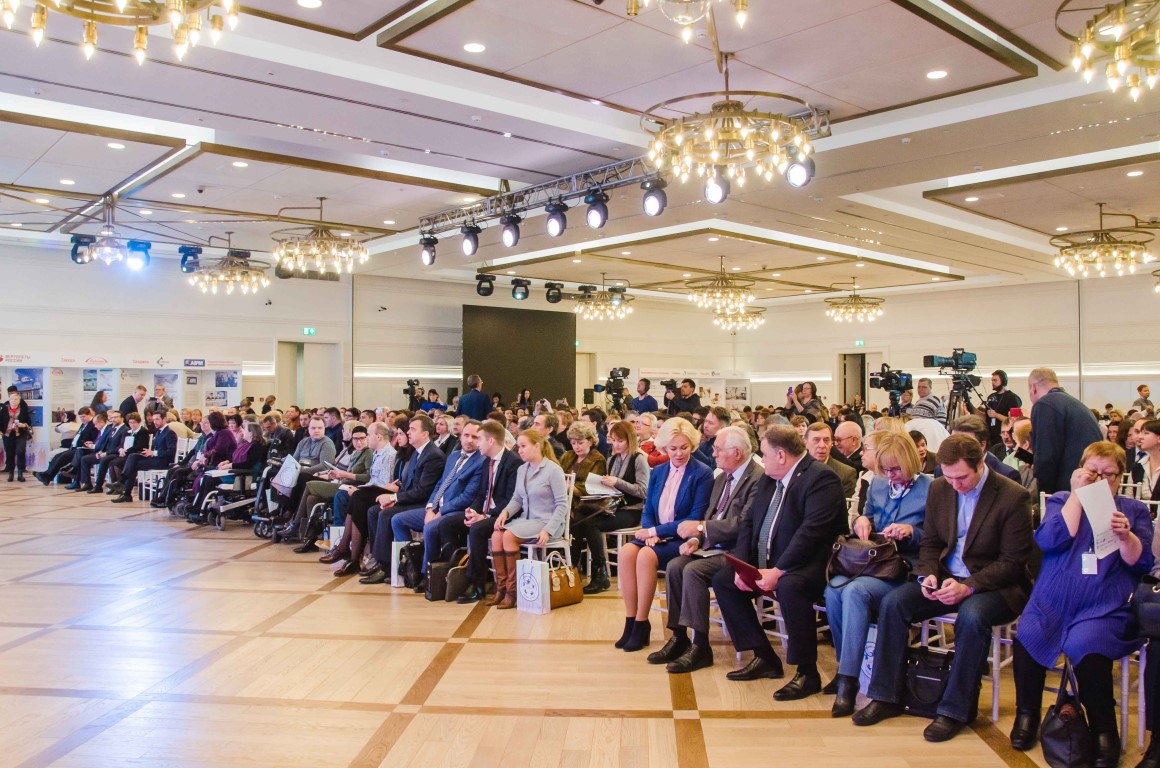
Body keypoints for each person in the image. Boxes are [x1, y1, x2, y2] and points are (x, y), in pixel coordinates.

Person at [853, 434, 1034, 743]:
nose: (955, 484)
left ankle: (955, 710)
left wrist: (969, 587)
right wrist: (927, 575)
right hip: (947, 576)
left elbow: (1012, 562)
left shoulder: (1012, 495)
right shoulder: (940, 488)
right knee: (894, 604)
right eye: (949, 477)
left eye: (961, 477)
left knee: (972, 617)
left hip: (994, 585)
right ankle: (885, 695)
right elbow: (931, 544)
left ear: (980, 464)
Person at [1009, 441, 1152, 763]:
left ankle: (1104, 730)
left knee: (1087, 644)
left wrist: (1126, 536)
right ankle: (1026, 714)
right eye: (1092, 472)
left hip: (1105, 602)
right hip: (1054, 597)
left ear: (1120, 477)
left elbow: (1140, 562)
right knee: (1029, 634)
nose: (1100, 479)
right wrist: (1077, 494)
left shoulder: (1133, 510)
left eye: (1108, 474)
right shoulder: (1062, 500)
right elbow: (1049, 541)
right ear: (1080, 470)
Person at [712, 425, 848, 700]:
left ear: (782, 455)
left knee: (789, 586)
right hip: (771, 560)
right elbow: (749, 522)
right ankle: (763, 655)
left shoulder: (821, 479)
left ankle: (807, 672)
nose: (762, 460)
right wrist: (740, 564)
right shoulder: (769, 478)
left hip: (811, 564)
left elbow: (811, 534)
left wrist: (778, 570)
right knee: (724, 580)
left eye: (765, 454)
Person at [824, 432, 931, 717]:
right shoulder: (878, 484)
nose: (890, 475)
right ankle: (846, 667)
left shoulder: (931, 488)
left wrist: (912, 532)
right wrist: (862, 521)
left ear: (910, 462)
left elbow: (939, 538)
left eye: (896, 469)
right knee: (833, 588)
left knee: (854, 591)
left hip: (904, 569)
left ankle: (848, 681)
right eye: (885, 469)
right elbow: (868, 518)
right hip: (874, 563)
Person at [649, 425, 763, 672]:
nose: (713, 454)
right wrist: (696, 541)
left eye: (718, 449)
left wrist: (701, 528)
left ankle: (700, 646)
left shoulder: (757, 478)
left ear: (737, 453)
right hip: (713, 547)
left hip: (739, 550)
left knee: (693, 571)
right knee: (676, 566)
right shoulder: (721, 478)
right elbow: (711, 517)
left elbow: (744, 524)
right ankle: (679, 636)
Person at [617, 416, 715, 652]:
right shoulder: (659, 471)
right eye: (673, 448)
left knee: (645, 556)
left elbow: (694, 517)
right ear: (664, 447)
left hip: (684, 539)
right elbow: (648, 509)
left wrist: (655, 531)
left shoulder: (702, 473)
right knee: (626, 552)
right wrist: (650, 532)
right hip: (657, 535)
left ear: (692, 445)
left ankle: (641, 623)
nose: (678, 453)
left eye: (684, 447)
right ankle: (630, 620)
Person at [381, 420, 485, 588]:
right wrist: (431, 507)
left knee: (430, 528)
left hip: (456, 510)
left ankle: (426, 575)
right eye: (466, 435)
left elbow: (467, 496)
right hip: (436, 507)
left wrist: (441, 511)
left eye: (475, 437)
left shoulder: (481, 461)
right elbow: (440, 484)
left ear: (481, 439)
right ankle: (411, 566)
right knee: (397, 520)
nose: (469, 440)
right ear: (460, 436)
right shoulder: (454, 456)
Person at [434, 420, 523, 604]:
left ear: (490, 441)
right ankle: (460, 565)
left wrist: (485, 516)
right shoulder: (487, 462)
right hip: (485, 513)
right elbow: (481, 494)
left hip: (505, 515)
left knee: (477, 529)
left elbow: (511, 500)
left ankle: (477, 585)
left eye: (479, 438)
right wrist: (472, 511)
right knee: (447, 524)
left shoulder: (513, 463)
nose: (476, 443)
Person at [488, 429, 569, 609]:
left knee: (508, 536)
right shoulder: (522, 469)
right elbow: (517, 499)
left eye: (523, 446)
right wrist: (505, 513)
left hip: (547, 522)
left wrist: (547, 530)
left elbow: (562, 505)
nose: (520, 450)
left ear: (537, 446)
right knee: (496, 535)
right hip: (527, 520)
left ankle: (513, 591)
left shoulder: (553, 470)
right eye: (518, 446)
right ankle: (501, 588)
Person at [359, 414, 446, 579]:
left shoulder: (433, 456)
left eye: (412, 429)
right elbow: (406, 485)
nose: (408, 432)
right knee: (374, 511)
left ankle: (387, 566)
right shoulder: (417, 453)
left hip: (424, 504)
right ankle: (379, 559)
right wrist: (395, 498)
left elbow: (423, 492)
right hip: (411, 499)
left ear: (425, 434)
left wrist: (394, 498)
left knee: (386, 514)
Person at [572, 420, 650, 594]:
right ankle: (573, 569)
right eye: (613, 440)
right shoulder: (612, 459)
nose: (616, 445)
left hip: (632, 510)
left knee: (592, 524)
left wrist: (617, 482)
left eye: (620, 441)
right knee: (578, 519)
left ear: (630, 440)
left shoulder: (638, 459)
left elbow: (643, 491)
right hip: (613, 506)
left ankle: (600, 573)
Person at [278, 425, 371, 545]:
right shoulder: (355, 453)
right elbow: (348, 475)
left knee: (309, 484)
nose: (358, 442)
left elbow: (368, 477)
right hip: (342, 483)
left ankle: (295, 524)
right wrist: (336, 475)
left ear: (367, 438)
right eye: (355, 439)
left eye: (362, 438)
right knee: (312, 498)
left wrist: (346, 474)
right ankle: (312, 537)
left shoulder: (368, 453)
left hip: (351, 488)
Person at [317, 422, 397, 560]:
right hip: (374, 490)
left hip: (384, 493)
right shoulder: (378, 453)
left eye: (368, 435)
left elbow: (383, 484)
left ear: (378, 436)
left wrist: (359, 489)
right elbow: (373, 481)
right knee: (355, 496)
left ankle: (347, 551)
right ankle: (346, 550)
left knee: (356, 497)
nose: (367, 438)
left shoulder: (388, 455)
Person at [1028, 367, 1103, 495]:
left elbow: (1046, 457)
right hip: (1090, 485)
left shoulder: (1045, 404)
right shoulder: (1078, 405)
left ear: (1033, 388)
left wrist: (1044, 496)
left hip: (1066, 491)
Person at [112, 410, 178, 502]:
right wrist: (149, 452)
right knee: (133, 456)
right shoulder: (159, 432)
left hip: (163, 461)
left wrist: (153, 453)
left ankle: (125, 489)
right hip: (155, 458)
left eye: (157, 419)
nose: (154, 422)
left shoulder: (169, 433)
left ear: (164, 419)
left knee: (133, 465)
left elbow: (171, 451)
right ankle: (124, 486)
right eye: (154, 419)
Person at [935, 415, 1021, 484]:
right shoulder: (941, 471)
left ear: (982, 445)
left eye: (965, 444)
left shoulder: (1007, 476)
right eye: (953, 442)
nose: (957, 448)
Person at [35, 407, 98, 485]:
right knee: (57, 456)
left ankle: (48, 476)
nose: (82, 419)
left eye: (84, 416)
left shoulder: (92, 425)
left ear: (89, 415)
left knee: (62, 457)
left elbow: (94, 439)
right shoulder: (84, 424)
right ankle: (47, 475)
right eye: (80, 417)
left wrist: (87, 444)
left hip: (83, 449)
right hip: (75, 448)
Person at [804, 422, 857, 497]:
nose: (822, 445)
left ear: (831, 443)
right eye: (816, 440)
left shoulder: (846, 473)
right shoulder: (795, 469)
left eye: (826, 440)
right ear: (805, 443)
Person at [2, 385, 33, 482]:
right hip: (8, 434)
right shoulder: (4, 407)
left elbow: (28, 420)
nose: (13, 400)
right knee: (10, 453)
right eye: (11, 397)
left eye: (15, 398)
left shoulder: (23, 406)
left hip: (20, 433)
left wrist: (23, 425)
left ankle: (20, 472)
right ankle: (11, 473)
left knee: (20, 451)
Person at [985, 370, 1022, 448]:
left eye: (995, 380)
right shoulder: (991, 397)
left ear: (1003, 381)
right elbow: (985, 416)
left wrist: (996, 415)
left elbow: (1015, 420)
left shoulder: (1013, 398)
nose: (992, 383)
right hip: (991, 438)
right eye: (992, 380)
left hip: (1006, 438)